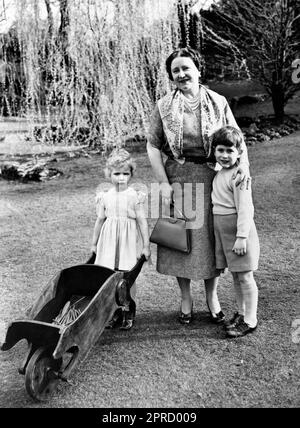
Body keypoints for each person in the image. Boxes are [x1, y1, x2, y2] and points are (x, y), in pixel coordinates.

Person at [147, 47, 250, 325]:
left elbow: (237, 139)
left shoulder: (217, 101)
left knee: (207, 243)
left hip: (210, 178)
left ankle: (212, 297)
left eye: (186, 68)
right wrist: (163, 184)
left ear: (198, 70)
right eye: (176, 71)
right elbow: (153, 146)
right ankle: (185, 298)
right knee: (180, 241)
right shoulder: (164, 106)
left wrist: (244, 172)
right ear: (171, 76)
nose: (181, 74)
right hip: (178, 179)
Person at [91, 148, 151, 330]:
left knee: (127, 277)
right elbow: (100, 220)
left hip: (128, 242)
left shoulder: (135, 196)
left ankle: (128, 309)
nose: (121, 178)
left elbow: (142, 221)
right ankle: (114, 311)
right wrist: (94, 244)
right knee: (110, 277)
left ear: (131, 174)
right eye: (117, 174)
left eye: (126, 174)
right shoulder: (105, 196)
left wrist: (146, 246)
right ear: (109, 174)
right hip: (109, 242)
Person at [211, 126, 259, 337]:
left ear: (240, 152)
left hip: (239, 234)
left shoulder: (240, 176)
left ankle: (251, 319)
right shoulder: (221, 173)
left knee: (246, 277)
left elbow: (246, 209)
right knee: (237, 277)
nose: (225, 155)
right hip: (224, 232)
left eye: (230, 151)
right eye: (220, 150)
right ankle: (241, 313)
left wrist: (241, 237)